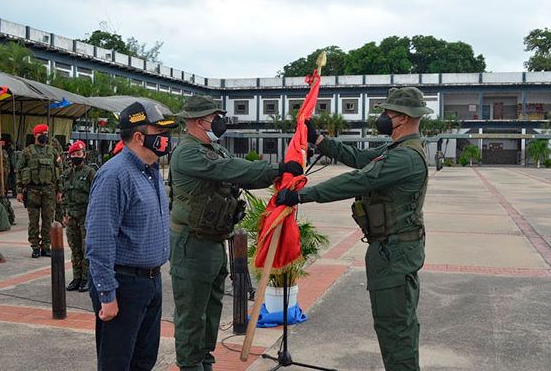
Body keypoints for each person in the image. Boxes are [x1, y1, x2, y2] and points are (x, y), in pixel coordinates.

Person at [276, 87, 432, 371]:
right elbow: (360, 158)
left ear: (404, 118)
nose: (383, 117)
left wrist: (302, 194)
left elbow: (359, 179)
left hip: (395, 254)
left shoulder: (406, 157)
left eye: (389, 113)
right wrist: (320, 140)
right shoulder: (396, 149)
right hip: (390, 250)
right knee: (392, 325)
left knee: (396, 329)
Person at [169, 95, 303, 371]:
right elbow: (228, 169)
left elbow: (241, 174)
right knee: (192, 315)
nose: (219, 122)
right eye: (213, 117)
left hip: (214, 242)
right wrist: (276, 168)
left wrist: (280, 174)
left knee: (211, 310)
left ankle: (205, 360)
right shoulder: (188, 152)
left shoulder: (215, 149)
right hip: (191, 245)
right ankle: (191, 365)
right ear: (197, 121)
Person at [86, 100, 177, 370]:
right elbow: (99, 241)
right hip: (123, 284)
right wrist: (107, 296)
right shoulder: (114, 176)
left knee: (144, 360)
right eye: (159, 132)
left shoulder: (152, 172)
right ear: (139, 137)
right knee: (117, 362)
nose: (165, 139)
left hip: (150, 281)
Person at [16, 124, 61, 258]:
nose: (44, 136)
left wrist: (59, 191)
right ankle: (35, 247)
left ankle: (46, 247)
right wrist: (19, 191)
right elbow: (19, 171)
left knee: (48, 220)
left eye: (46, 134)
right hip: (32, 190)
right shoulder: (27, 152)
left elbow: (60, 172)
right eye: (42, 133)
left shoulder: (53, 152)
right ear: (35, 135)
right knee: (33, 221)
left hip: (49, 190)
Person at [60, 140, 95, 293]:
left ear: (84, 155)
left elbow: (96, 195)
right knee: (75, 249)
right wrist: (64, 215)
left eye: (78, 154)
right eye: (73, 154)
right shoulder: (67, 174)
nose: (76, 156)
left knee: (86, 248)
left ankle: (87, 278)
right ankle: (77, 277)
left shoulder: (90, 173)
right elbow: (63, 196)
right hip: (71, 216)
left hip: (86, 216)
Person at [0, 140, 16, 226]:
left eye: (3, 143)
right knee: (1, 185)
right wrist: (0, 169)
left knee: (5, 185)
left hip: (6, 171)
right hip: (1, 172)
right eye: (1, 143)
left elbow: (7, 161)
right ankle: (1, 195)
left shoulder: (5, 152)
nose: (3, 144)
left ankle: (4, 194)